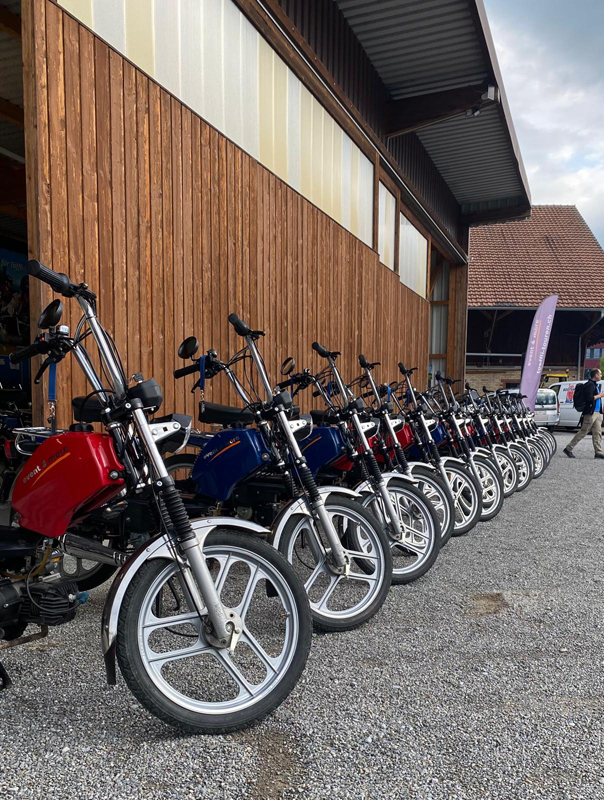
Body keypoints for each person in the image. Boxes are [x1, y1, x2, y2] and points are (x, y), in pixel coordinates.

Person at [564, 368, 604, 459]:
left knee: (597, 432)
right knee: (583, 431)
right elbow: (589, 399)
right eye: (600, 374)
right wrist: (600, 395)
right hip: (590, 413)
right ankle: (568, 448)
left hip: (597, 412)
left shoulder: (595, 385)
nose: (601, 375)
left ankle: (598, 452)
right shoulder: (590, 385)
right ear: (596, 375)